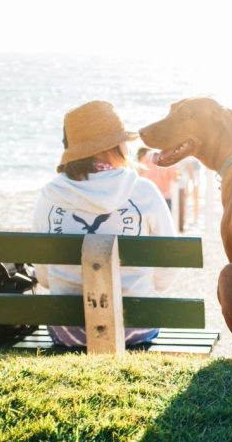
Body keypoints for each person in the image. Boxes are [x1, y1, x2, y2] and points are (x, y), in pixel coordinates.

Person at [32, 100, 176, 347]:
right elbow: (168, 270)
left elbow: (44, 278)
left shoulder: (50, 194)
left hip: (68, 330)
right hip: (136, 325)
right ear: (116, 146)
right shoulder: (143, 191)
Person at [177, 156, 201, 231]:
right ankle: (190, 219)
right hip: (188, 172)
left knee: (193, 197)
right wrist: (193, 180)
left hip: (191, 172)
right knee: (190, 197)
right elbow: (189, 165)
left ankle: (193, 218)